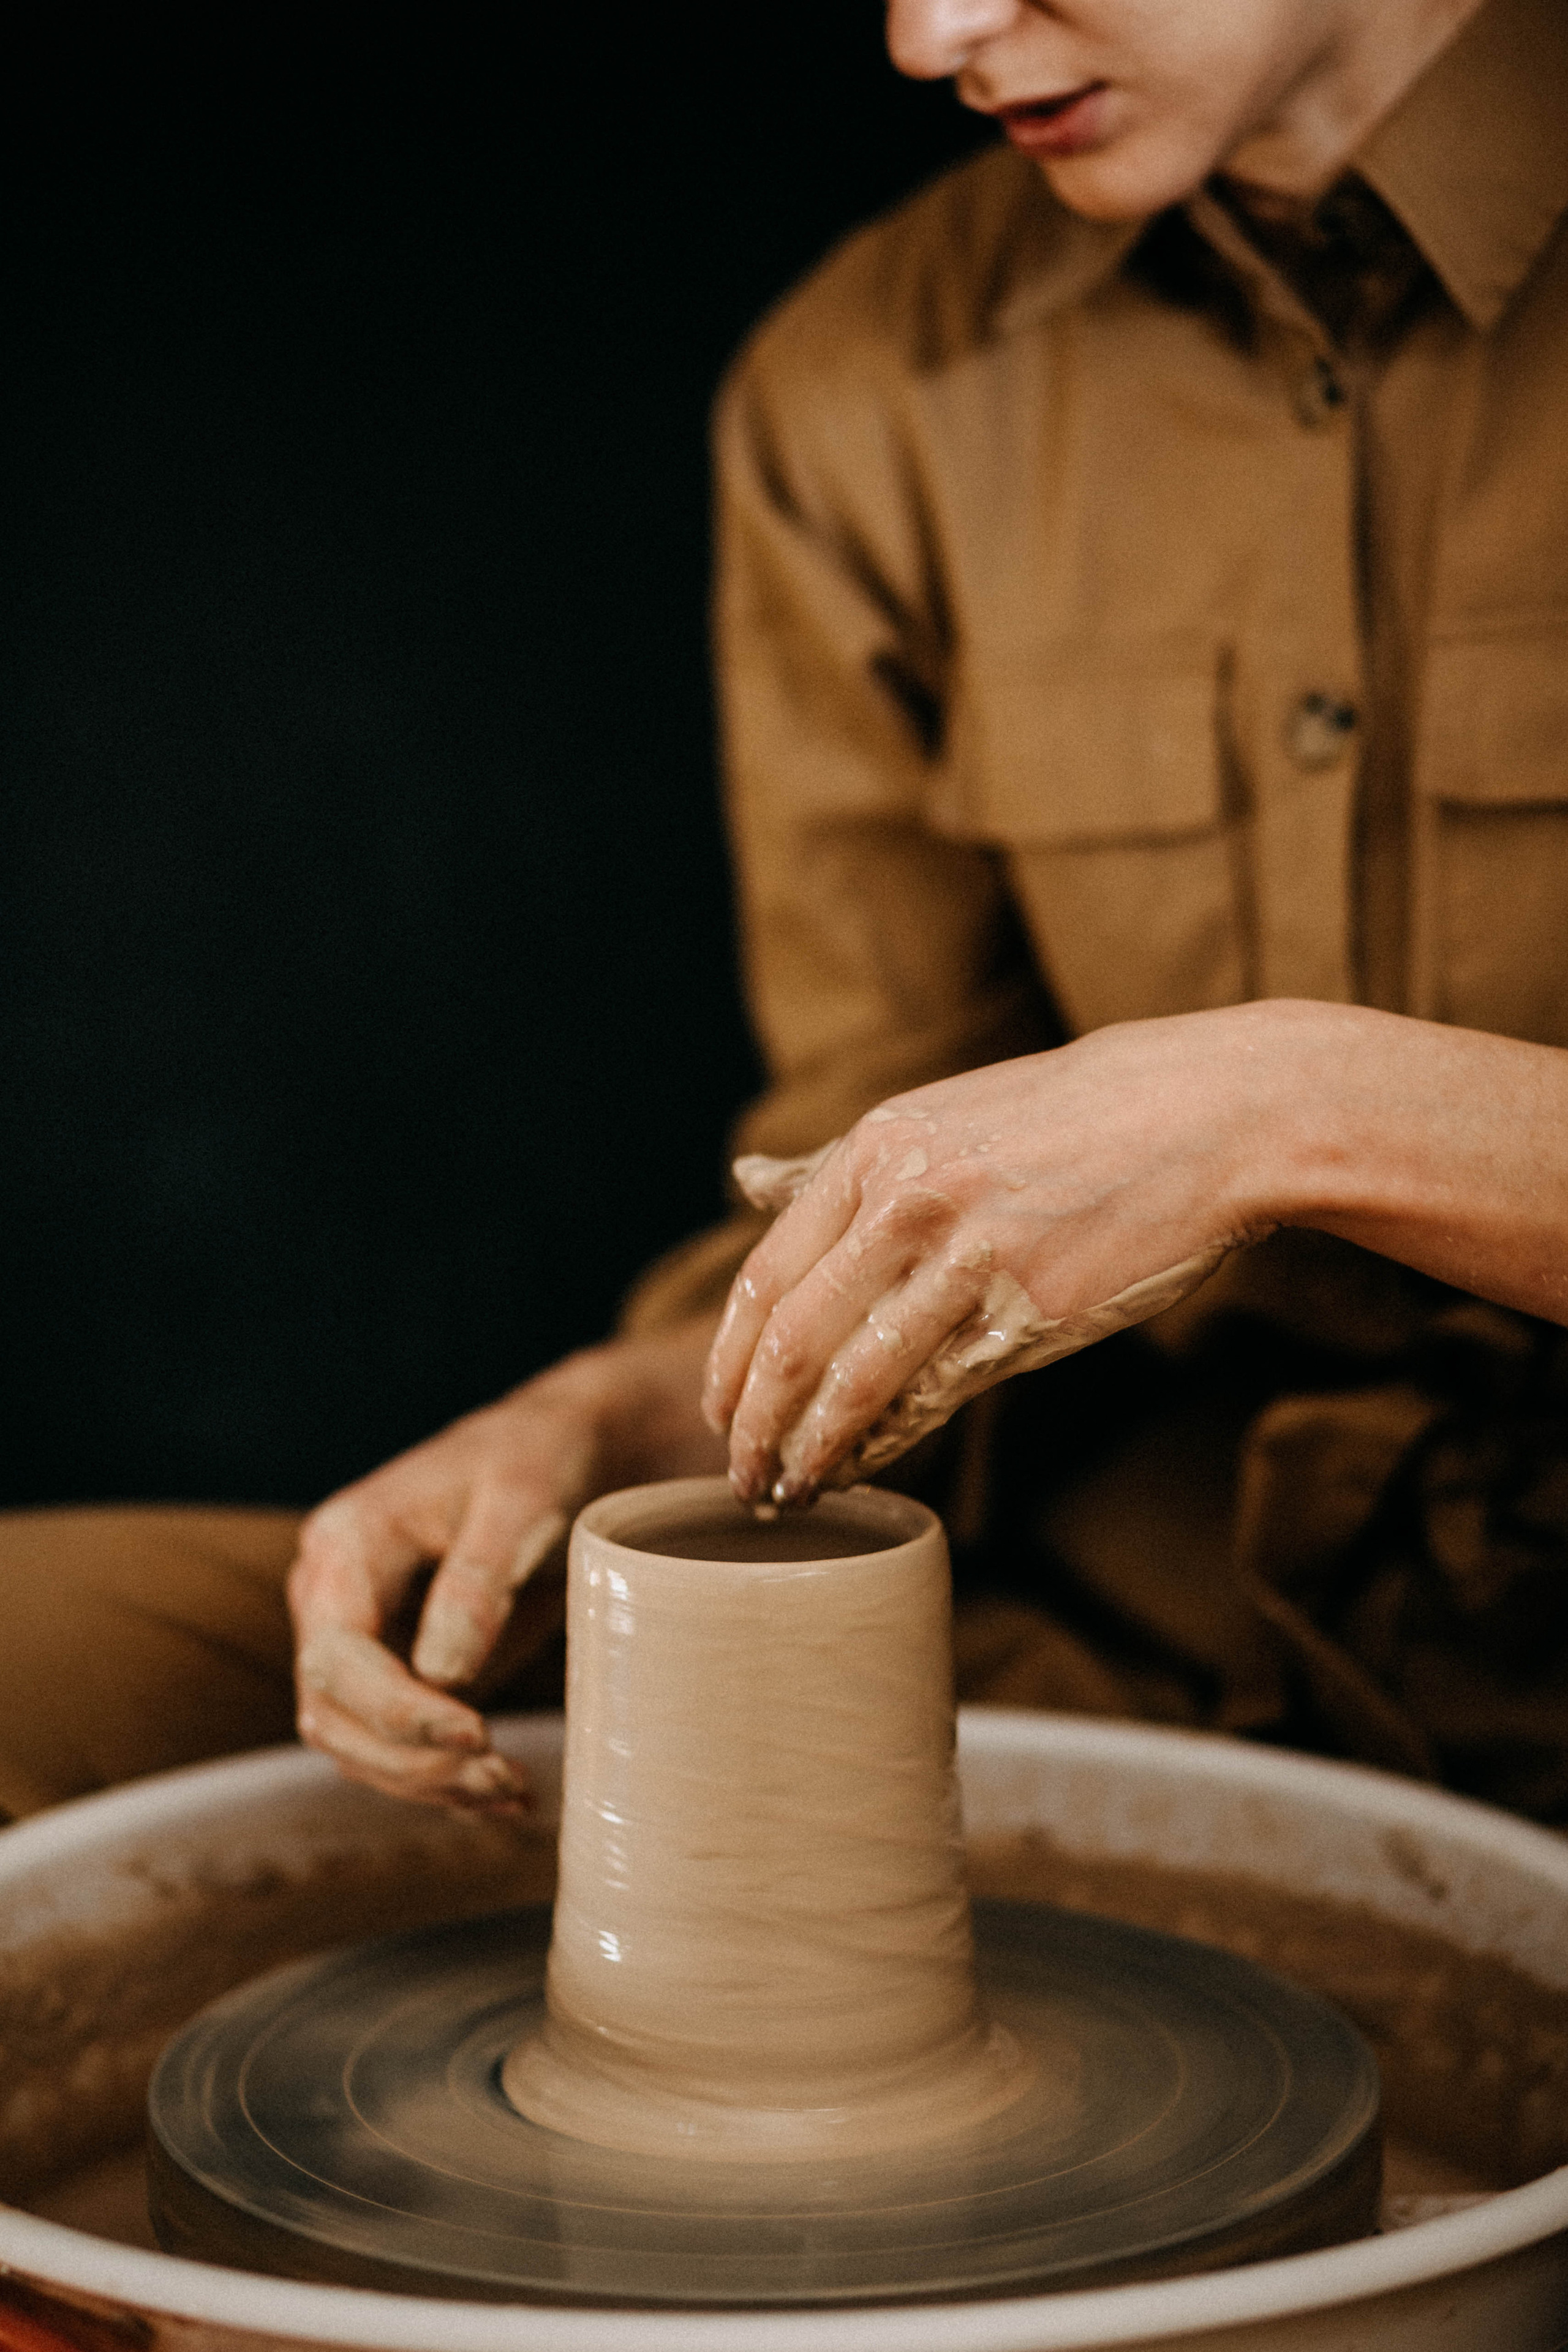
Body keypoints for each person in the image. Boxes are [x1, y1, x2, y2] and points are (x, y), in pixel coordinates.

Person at [3, 0, 1566, 1825]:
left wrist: (1289, 1111)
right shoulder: (869, 384)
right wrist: (599, 1426)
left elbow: (1210, 1133)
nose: (933, 32)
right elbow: (887, 1189)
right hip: (1111, 1633)